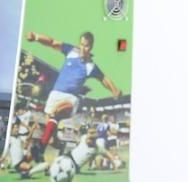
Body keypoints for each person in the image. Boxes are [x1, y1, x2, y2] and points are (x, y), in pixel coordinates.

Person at [24, 30, 123, 169]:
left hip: (70, 99)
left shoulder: (91, 67)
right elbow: (52, 42)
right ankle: (45, 152)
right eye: (82, 44)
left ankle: (40, 148)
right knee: (51, 135)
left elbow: (104, 79)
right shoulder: (71, 51)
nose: (83, 48)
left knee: (56, 112)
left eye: (87, 46)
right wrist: (36, 37)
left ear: (91, 47)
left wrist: (114, 90)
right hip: (55, 94)